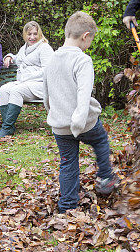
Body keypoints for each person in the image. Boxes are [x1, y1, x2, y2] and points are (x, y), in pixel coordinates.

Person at [43, 11, 118, 213]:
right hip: (83, 122)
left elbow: (46, 94)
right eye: (90, 41)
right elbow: (83, 96)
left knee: (68, 164)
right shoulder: (82, 60)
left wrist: (53, 115)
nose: (89, 45)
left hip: (59, 124)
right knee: (101, 140)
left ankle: (67, 207)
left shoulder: (51, 59)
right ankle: (105, 177)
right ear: (85, 36)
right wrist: (77, 123)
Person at [0, 21, 54, 137]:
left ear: (39, 34)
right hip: (25, 83)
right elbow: (18, 58)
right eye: (29, 34)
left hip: (41, 85)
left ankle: (6, 128)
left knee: (16, 91)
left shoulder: (44, 48)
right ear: (25, 35)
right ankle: (8, 125)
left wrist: (27, 76)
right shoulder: (25, 48)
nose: (32, 37)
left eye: (35, 34)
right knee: (3, 89)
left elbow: (48, 71)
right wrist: (9, 56)